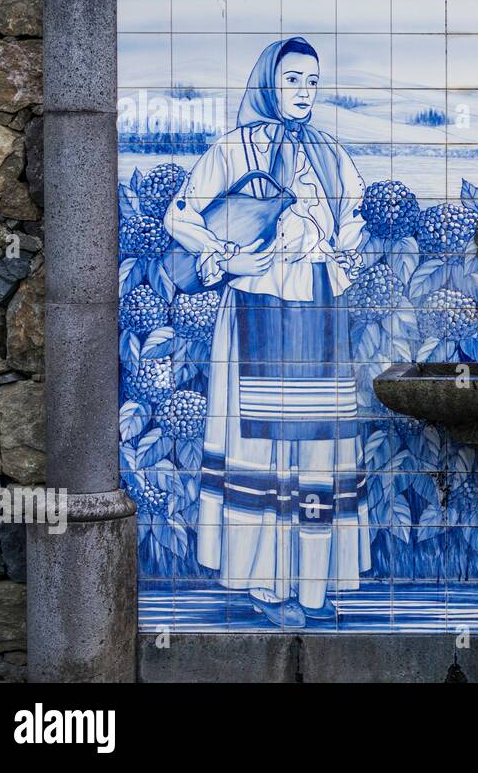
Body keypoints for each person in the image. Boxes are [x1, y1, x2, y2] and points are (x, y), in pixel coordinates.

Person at [165, 36, 370, 627]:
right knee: (264, 445)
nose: (304, 91)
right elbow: (181, 215)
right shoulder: (234, 149)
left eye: (312, 80)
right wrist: (229, 256)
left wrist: (340, 245)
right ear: (267, 84)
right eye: (292, 80)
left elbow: (354, 215)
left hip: (318, 308)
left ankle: (312, 585)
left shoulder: (331, 152)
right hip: (258, 309)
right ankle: (265, 583)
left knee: (316, 446)